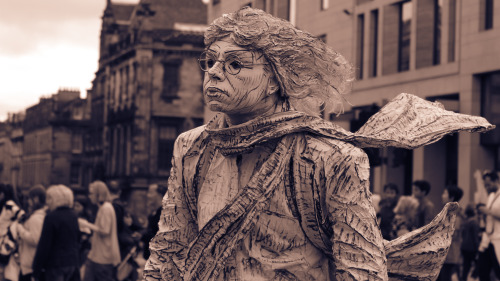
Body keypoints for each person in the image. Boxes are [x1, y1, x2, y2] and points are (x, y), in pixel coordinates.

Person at [143, 7, 493, 281]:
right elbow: (169, 249)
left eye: (235, 63)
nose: (215, 71)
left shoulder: (332, 157)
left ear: (274, 81)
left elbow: (360, 268)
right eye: (211, 60)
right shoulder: (191, 147)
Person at [32, 184, 81, 281]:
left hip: (55, 264)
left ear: (56, 199)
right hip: (72, 262)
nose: (47, 202)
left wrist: (36, 270)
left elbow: (44, 245)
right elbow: (77, 239)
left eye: (49, 198)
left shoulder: (51, 217)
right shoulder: (73, 216)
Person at [80, 180, 121, 281]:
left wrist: (86, 224)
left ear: (98, 194)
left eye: (91, 193)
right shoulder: (105, 207)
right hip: (98, 256)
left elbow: (105, 230)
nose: (89, 196)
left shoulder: (106, 208)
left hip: (102, 257)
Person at [16, 185, 46, 281]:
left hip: (30, 264)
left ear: (36, 199)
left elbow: (35, 239)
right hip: (32, 264)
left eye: (29, 198)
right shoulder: (42, 215)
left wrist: (20, 229)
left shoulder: (36, 218)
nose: (28, 202)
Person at [476, 171, 500, 281]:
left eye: (488, 185)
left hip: (498, 239)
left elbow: (491, 212)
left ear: (496, 181)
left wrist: (489, 212)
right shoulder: (490, 196)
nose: (487, 187)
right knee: (482, 270)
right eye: (485, 185)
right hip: (487, 239)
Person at [437, 185, 464, 281]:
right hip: (444, 255)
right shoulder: (447, 213)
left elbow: (453, 234)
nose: (442, 195)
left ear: (451, 197)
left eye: (445, 193)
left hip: (450, 255)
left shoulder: (455, 215)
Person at [141, 183, 168, 260]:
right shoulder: (155, 212)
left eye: (150, 192)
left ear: (159, 194)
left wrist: (142, 236)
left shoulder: (164, 213)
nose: (147, 196)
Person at [461, 204, 480, 281]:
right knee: (479, 264)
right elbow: (475, 236)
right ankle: (474, 276)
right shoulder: (474, 222)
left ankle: (464, 279)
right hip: (472, 248)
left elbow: (463, 234)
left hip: (464, 247)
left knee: (466, 266)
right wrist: (477, 247)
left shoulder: (465, 221)